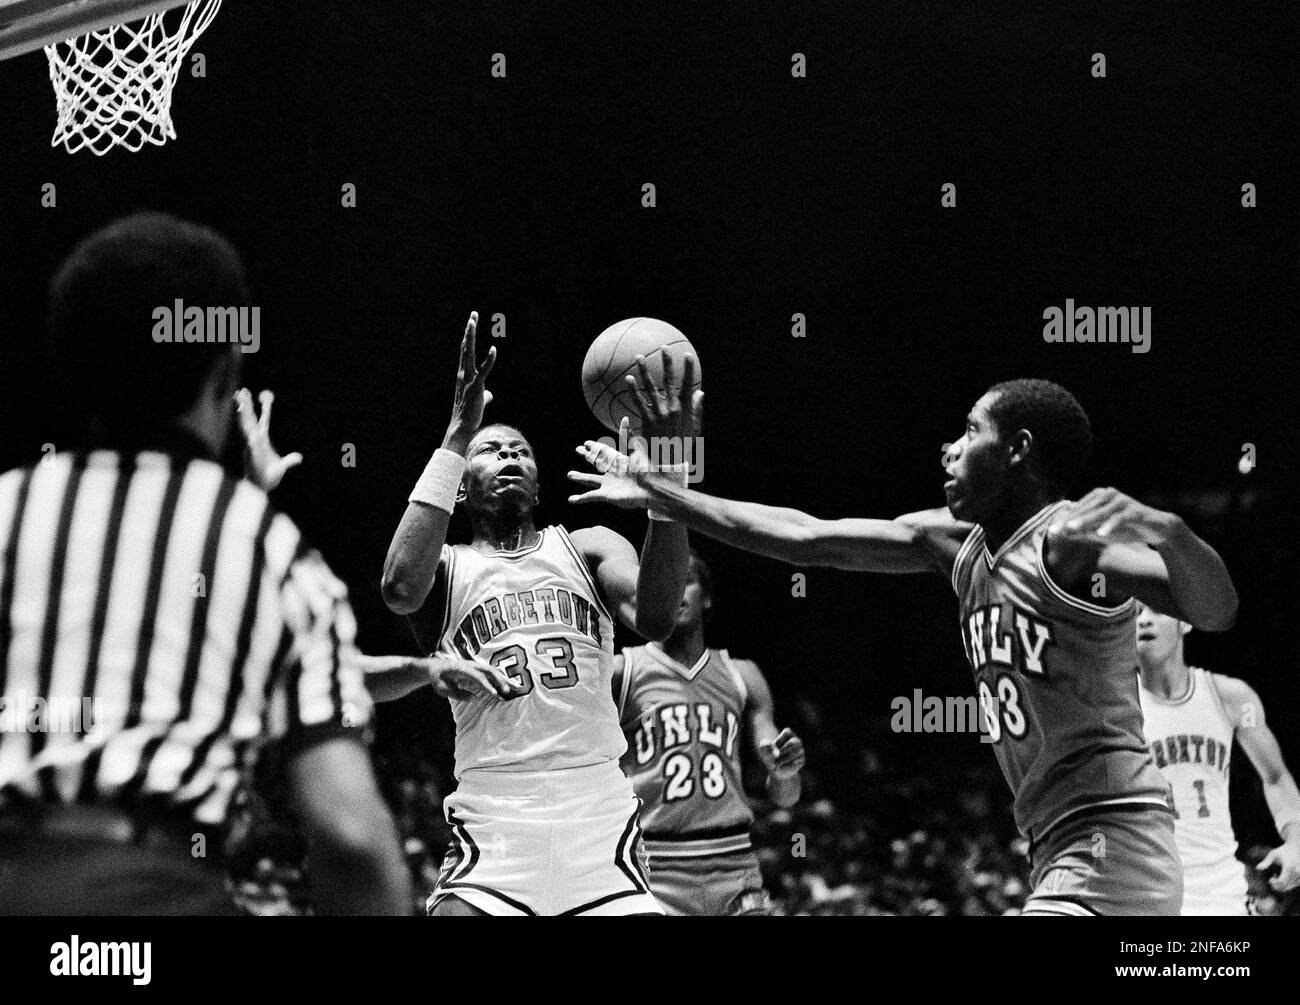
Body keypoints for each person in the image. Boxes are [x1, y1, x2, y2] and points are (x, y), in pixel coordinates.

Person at [571, 376, 1238, 916]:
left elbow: (1214, 608)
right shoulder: (954, 543)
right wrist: (668, 495)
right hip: (1056, 839)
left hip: (1114, 836)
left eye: (971, 431)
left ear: (1018, 449)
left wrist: (1173, 533)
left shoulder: (1067, 542)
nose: (948, 448)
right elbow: (808, 538)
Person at [0, 212, 410, 915]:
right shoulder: (270, 549)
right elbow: (351, 838)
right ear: (225, 373)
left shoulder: (9, 509)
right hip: (155, 892)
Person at [375, 316, 696, 916]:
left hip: (597, 815)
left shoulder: (590, 546)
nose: (509, 457)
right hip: (494, 815)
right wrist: (453, 437)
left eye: (520, 451)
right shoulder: (445, 568)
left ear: (539, 482)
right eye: (490, 451)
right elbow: (397, 589)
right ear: (461, 487)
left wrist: (667, 487)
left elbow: (656, 618)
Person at [614, 548, 804, 915]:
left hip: (732, 862)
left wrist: (786, 771)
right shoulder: (622, 672)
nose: (672, 592)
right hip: (651, 864)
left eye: (684, 581)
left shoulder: (743, 674)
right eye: (660, 584)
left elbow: (786, 795)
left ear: (708, 596)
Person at [1136, 602, 1300, 914]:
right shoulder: (1115, 711)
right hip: (1145, 895)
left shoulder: (1234, 698)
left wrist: (1296, 841)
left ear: (1185, 622)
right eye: (1134, 614)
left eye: (1155, 610)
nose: (1143, 621)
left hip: (1222, 894)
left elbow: (1276, 776)